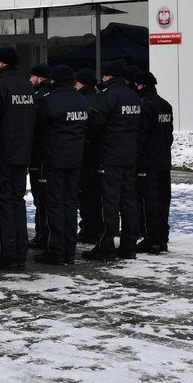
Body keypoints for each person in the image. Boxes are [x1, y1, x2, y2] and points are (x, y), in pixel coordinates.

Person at [83, 61, 142, 261]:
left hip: (110, 155)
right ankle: (129, 245)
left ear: (109, 76)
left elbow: (96, 123)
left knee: (108, 200)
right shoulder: (133, 95)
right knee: (129, 200)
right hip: (129, 154)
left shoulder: (108, 95)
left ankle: (105, 245)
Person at [33, 65, 90, 265]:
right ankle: (69, 250)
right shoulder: (82, 100)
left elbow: (38, 127)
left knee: (55, 204)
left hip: (54, 158)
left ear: (54, 80)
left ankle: (56, 250)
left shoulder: (49, 101)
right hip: (76, 158)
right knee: (70, 203)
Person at [0, 46, 36, 271]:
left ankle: (7, 254)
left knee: (2, 204)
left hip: (3, 153)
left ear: (2, 63)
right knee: (17, 202)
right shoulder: (26, 86)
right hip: (22, 153)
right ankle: (20, 253)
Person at [134, 70, 174, 252]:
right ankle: (162, 237)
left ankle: (151, 238)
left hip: (148, 161)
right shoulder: (165, 105)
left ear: (141, 85)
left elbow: (141, 136)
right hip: (163, 160)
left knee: (148, 200)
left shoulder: (145, 105)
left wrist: (137, 158)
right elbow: (169, 135)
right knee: (163, 199)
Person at [74, 68, 103, 244]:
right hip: (98, 154)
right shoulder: (99, 99)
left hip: (86, 154)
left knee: (85, 195)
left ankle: (89, 229)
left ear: (82, 83)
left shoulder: (82, 101)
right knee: (95, 194)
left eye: (77, 82)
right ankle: (93, 228)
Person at [27, 62, 53, 251]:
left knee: (42, 198)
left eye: (33, 76)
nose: (30, 79)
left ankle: (43, 235)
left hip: (40, 155)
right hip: (49, 154)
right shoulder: (48, 96)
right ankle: (44, 234)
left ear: (41, 78)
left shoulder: (40, 98)